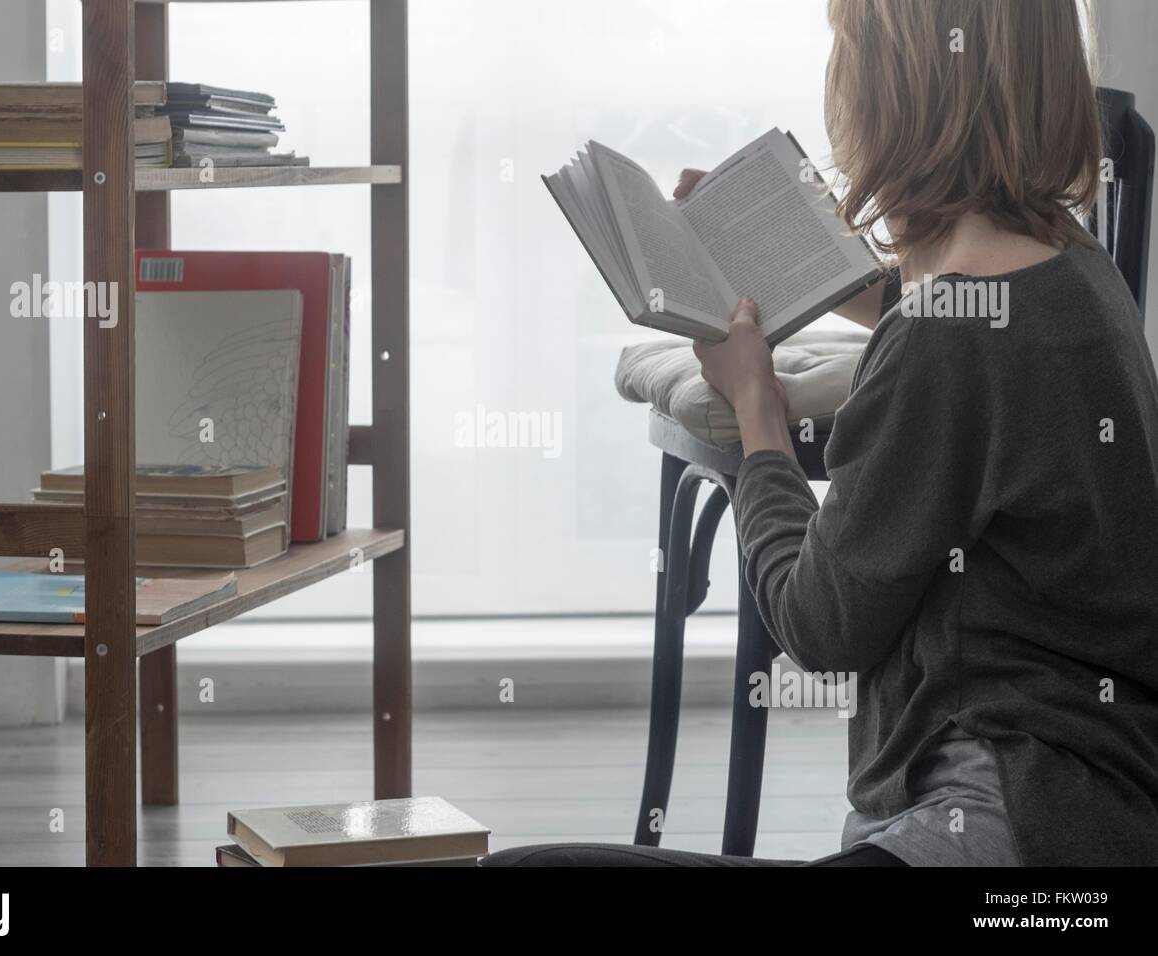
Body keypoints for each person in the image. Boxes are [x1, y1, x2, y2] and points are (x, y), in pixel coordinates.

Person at [483, 0, 1158, 867]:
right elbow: (960, 315)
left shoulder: (942, 346)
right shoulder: (1071, 262)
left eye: (846, 51)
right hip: (1097, 796)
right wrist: (792, 267)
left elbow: (818, 621)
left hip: (1004, 816)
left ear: (897, 89)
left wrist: (757, 411)